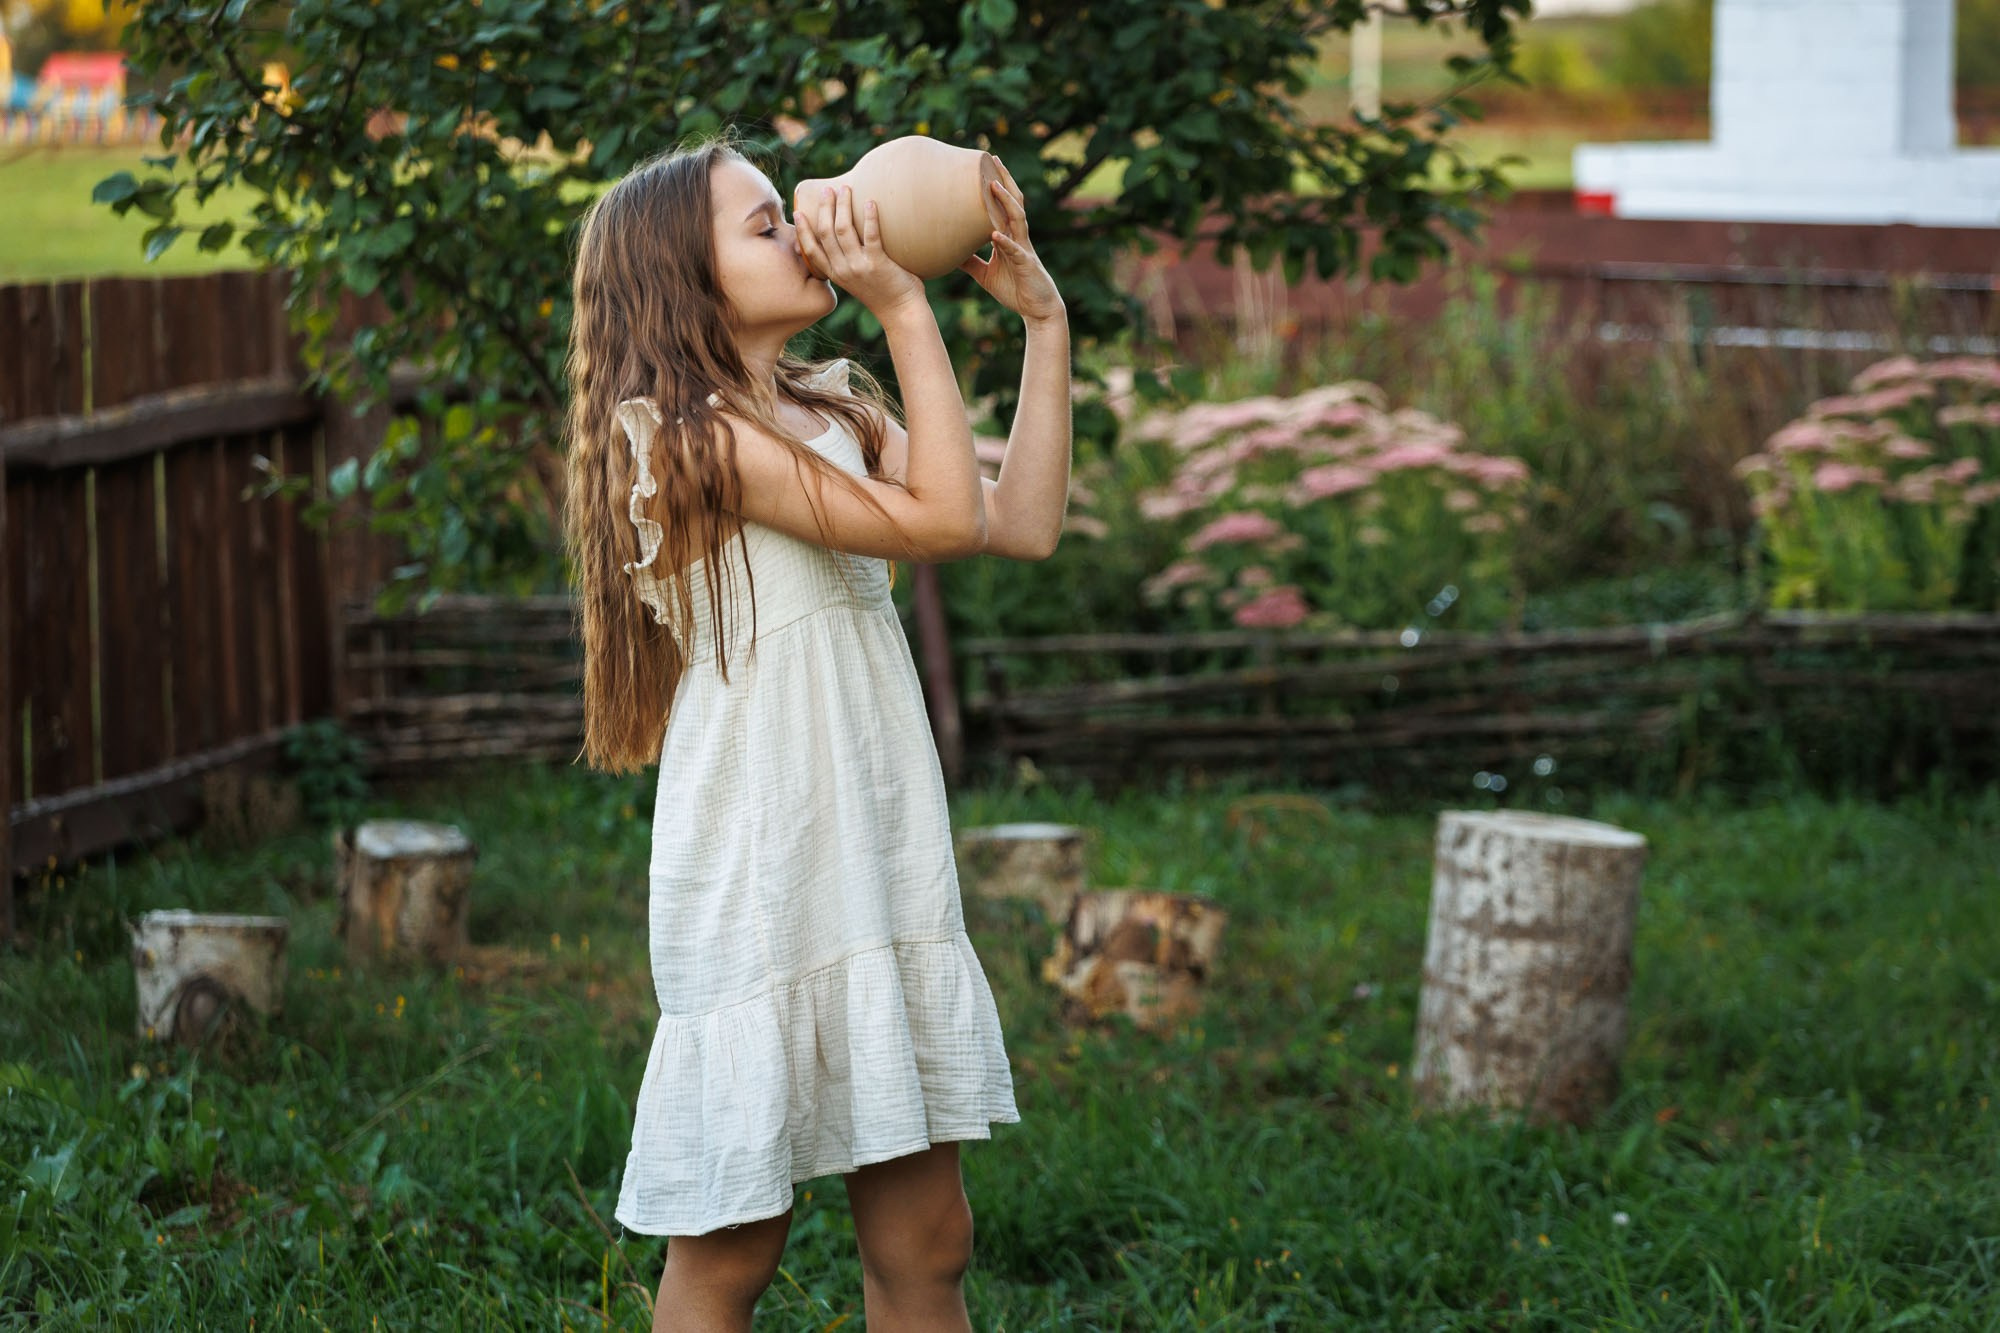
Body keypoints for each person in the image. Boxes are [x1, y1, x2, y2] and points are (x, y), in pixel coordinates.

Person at [561, 129, 1071, 1333]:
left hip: (872, 855)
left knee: (928, 1239)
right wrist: (902, 302)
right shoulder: (685, 438)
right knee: (735, 1243)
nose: (802, 233)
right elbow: (943, 524)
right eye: (762, 226)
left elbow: (1019, 522)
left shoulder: (824, 404)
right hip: (764, 864)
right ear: (683, 279)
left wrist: (1042, 327)